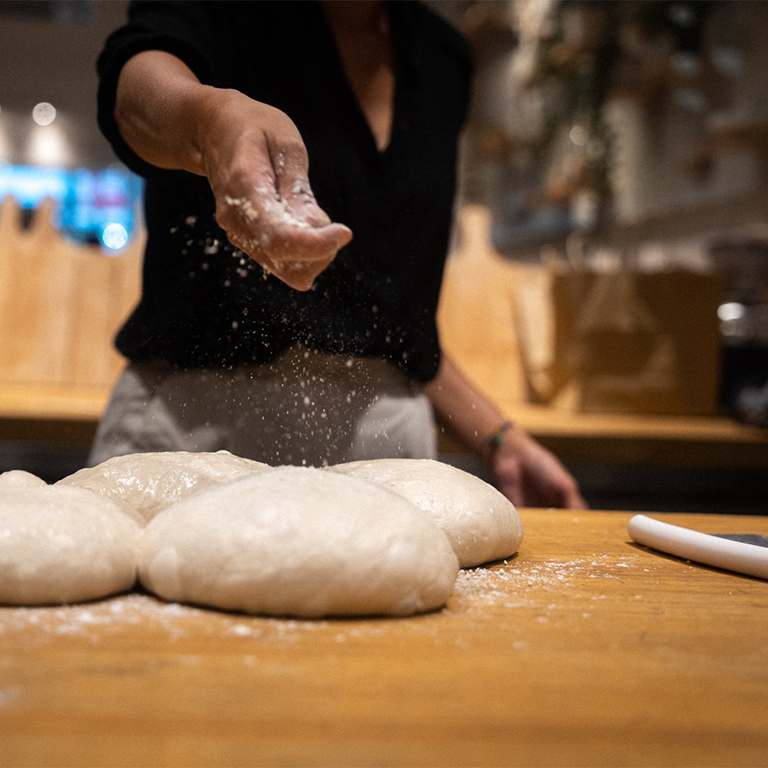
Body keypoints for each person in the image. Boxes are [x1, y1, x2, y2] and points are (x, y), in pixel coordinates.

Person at [94, 0, 587, 509]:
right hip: (191, 437)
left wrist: (500, 439)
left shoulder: (444, 57)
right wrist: (209, 120)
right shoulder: (231, 13)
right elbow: (134, 92)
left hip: (386, 456)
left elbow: (396, 322)